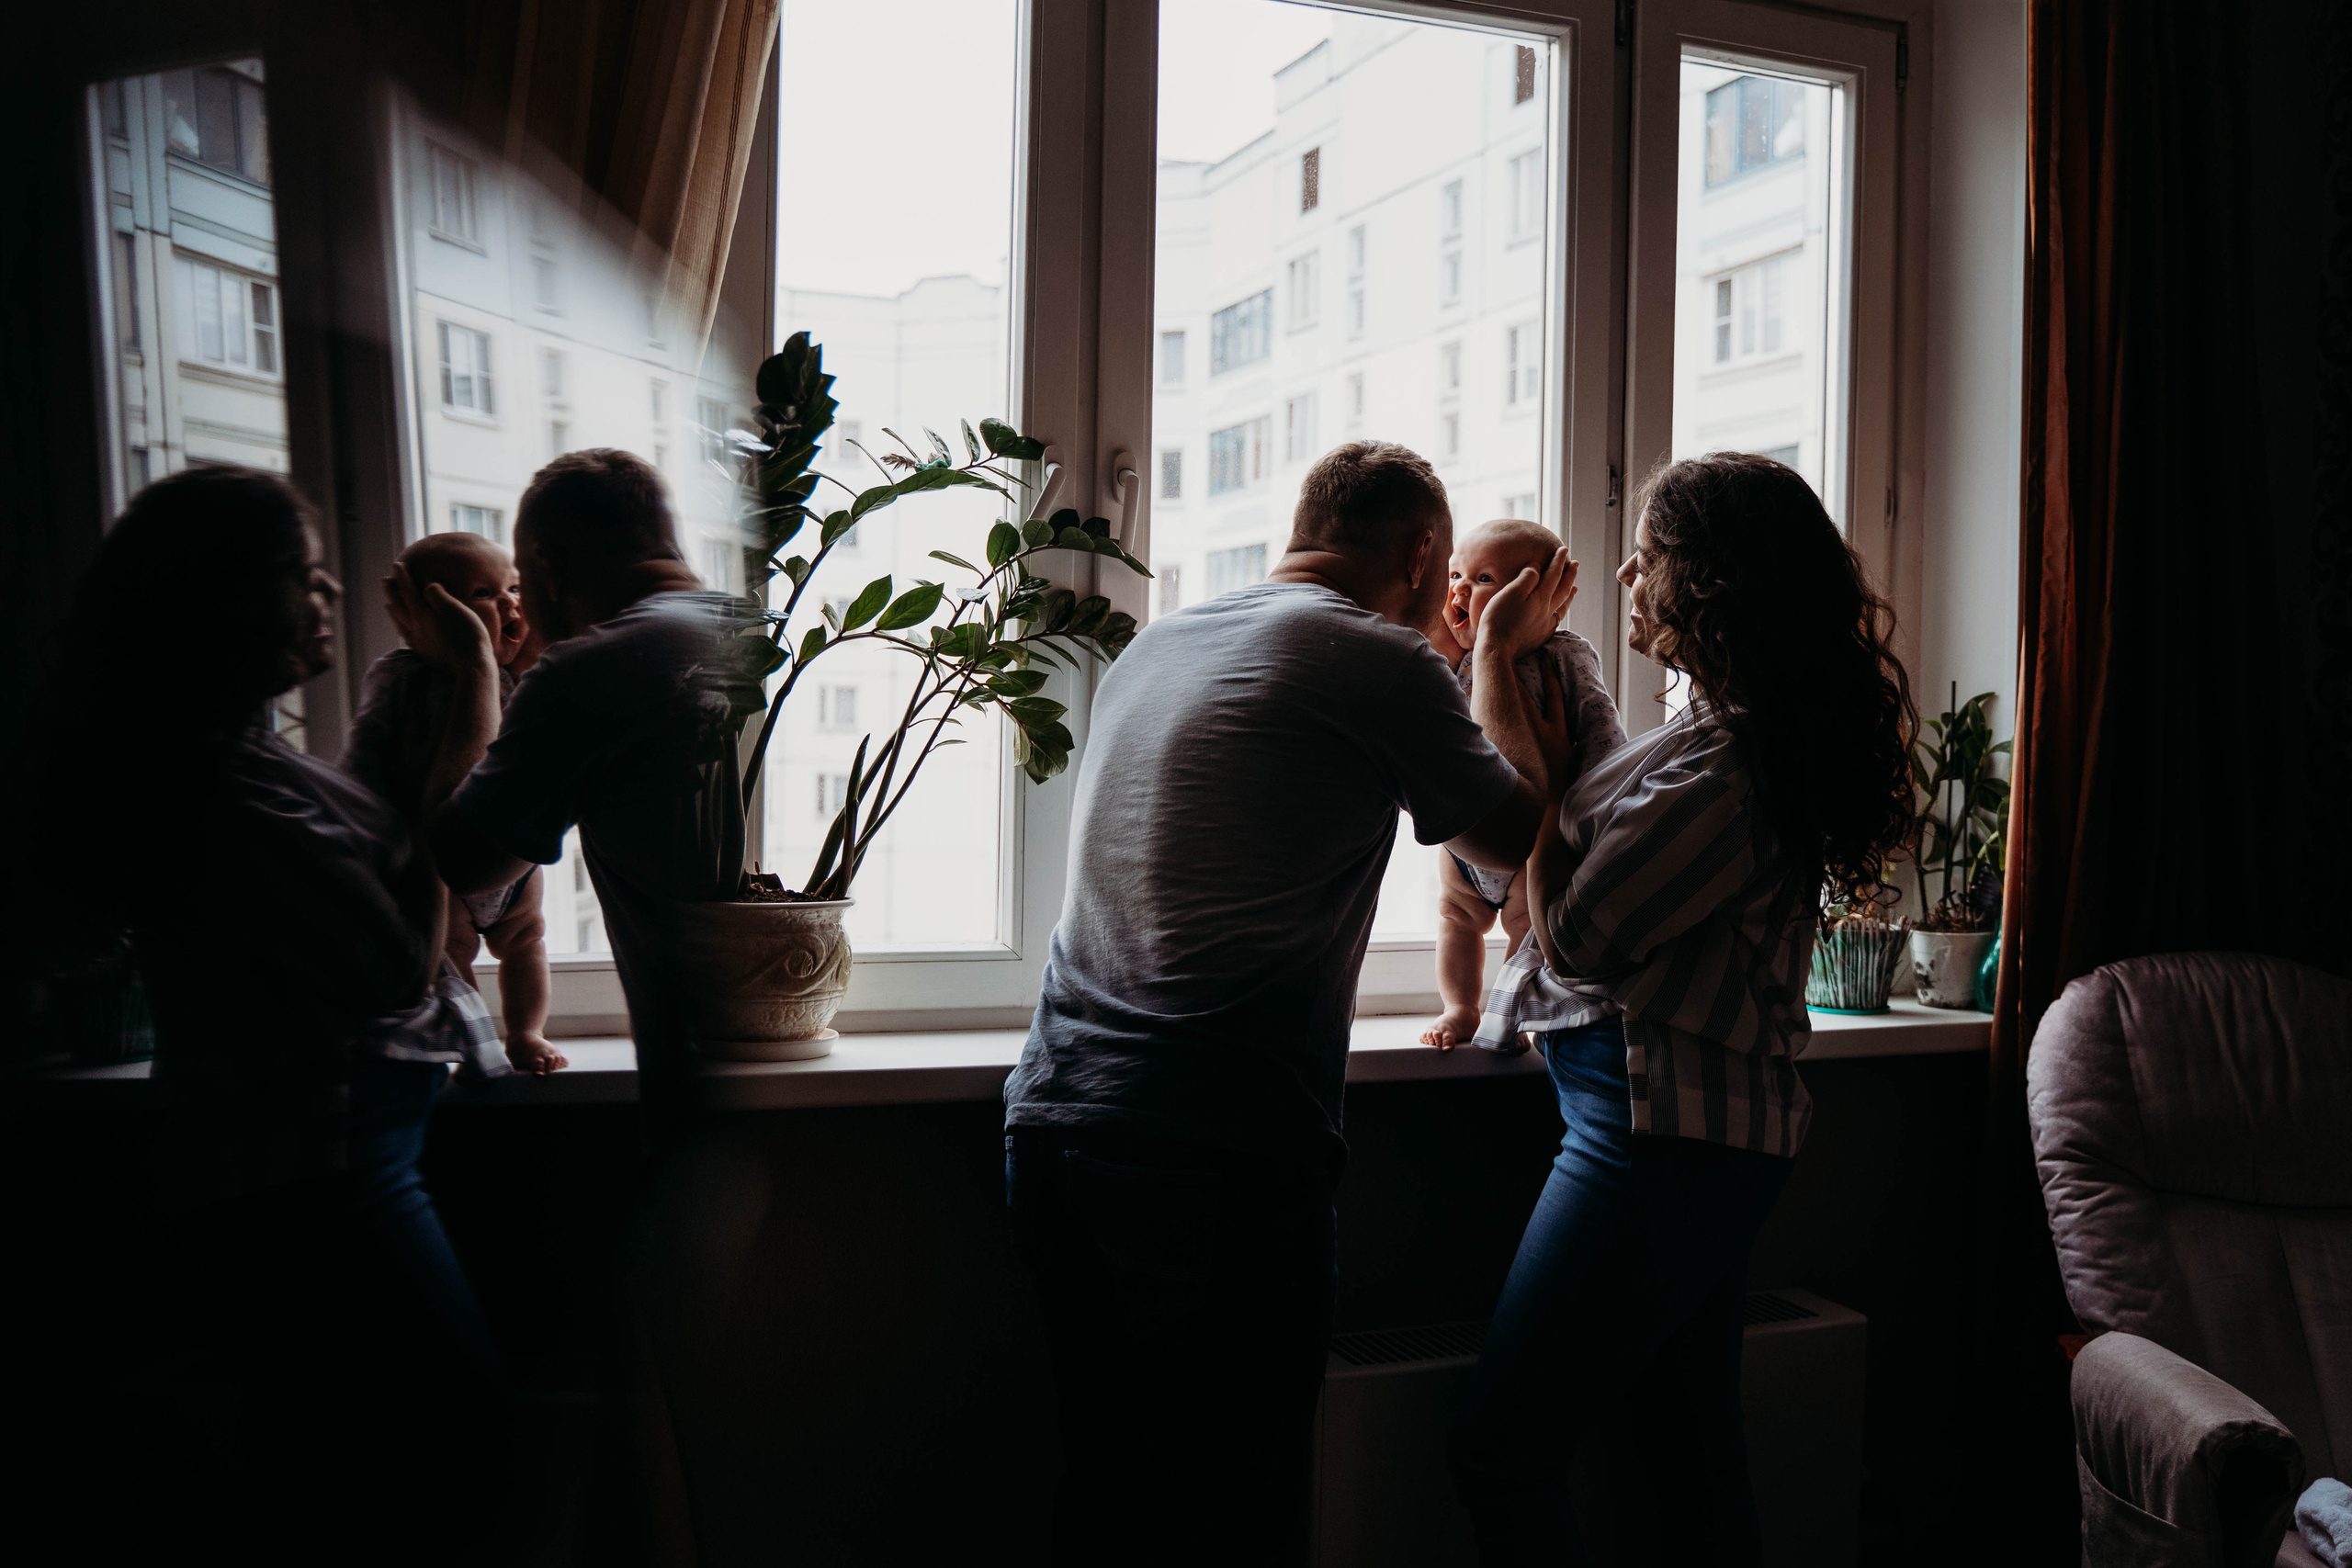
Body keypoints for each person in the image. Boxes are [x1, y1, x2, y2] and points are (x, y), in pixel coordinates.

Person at [1002, 441, 1579, 1565]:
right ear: (1420, 555)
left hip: (1055, 1114)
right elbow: (1520, 851)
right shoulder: (1370, 658)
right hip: (1210, 1142)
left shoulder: (1156, 643)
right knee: (1238, 1499)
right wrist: (1500, 657)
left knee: (1112, 1486)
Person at [27, 467, 514, 1561]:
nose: (332, 587)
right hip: (314, 1182)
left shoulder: (255, 759)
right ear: (228, 606)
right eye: (303, 574)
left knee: (361, 1468)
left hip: (333, 1162)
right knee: (445, 1453)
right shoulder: (219, 792)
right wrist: (475, 689)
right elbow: (395, 965)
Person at [1448, 453, 1918, 1564]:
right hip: (1667, 1130)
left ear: (1710, 582)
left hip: (1659, 1137)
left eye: (1648, 557)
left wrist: (1548, 773)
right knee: (1681, 1445)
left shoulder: (1732, 768)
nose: (1623, 575)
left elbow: (1578, 937)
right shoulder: (1711, 737)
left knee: (1500, 1450)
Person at [407, 447, 760, 1156]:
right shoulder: (746, 628)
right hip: (792, 1080)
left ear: (545, 563)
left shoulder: (597, 668)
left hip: (701, 1113)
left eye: (517, 582)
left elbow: (465, 858)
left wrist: (477, 664)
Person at [348, 530, 566, 1075]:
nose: (509, 603)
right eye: (482, 595)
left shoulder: (521, 676)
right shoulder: (399, 675)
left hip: (511, 857)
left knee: (526, 939)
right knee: (452, 947)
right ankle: (473, 1035)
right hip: (433, 862)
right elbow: (365, 746)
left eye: (513, 588)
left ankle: (525, 1031)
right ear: (427, 616)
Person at [1420, 517, 1627, 1053]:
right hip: (1465, 835)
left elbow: (1598, 721)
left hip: (1537, 838)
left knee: (1523, 925)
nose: (1460, 589)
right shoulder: (1456, 655)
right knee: (1457, 917)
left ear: (1538, 597)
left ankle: (1516, 1011)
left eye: (1485, 579)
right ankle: (1461, 1007)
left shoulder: (1565, 654)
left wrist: (1600, 795)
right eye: (1456, 574)